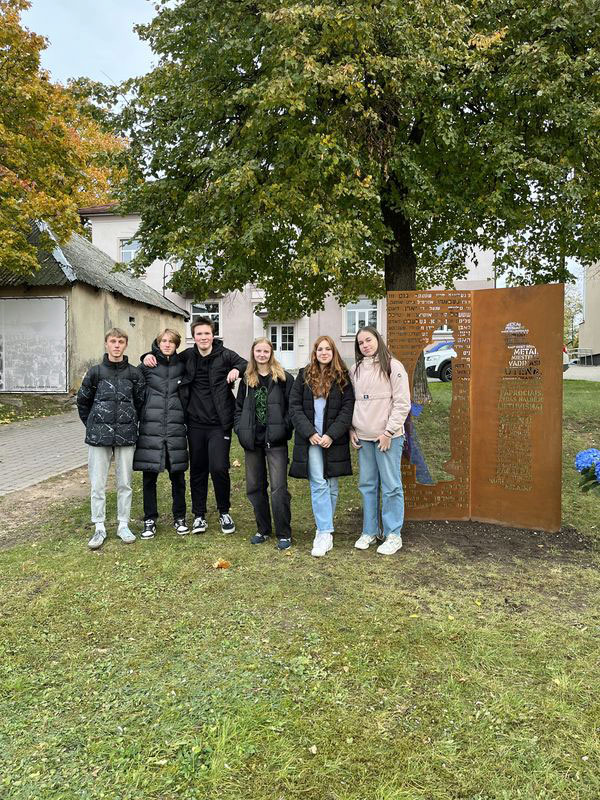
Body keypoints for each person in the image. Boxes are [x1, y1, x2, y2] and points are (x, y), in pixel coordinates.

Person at [142, 317, 247, 535]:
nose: (203, 338)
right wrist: (148, 355)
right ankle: (199, 515)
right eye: (199, 334)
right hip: (195, 424)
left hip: (219, 424)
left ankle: (224, 512)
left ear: (213, 335)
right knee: (198, 469)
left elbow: (246, 364)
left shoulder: (225, 354)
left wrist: (237, 369)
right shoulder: (188, 356)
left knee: (219, 467)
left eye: (207, 333)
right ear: (194, 337)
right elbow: (165, 356)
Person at [77, 327, 145, 550]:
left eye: (121, 342)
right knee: (98, 484)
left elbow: (141, 403)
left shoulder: (134, 374)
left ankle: (123, 525)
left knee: (125, 483)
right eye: (113, 341)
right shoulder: (95, 372)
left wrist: (132, 425)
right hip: (98, 438)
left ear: (126, 345)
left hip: (126, 436)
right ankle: (99, 527)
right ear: (106, 344)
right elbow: (83, 401)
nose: (117, 345)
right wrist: (94, 425)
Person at [289, 336, 354, 557]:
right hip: (312, 439)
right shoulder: (304, 374)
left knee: (332, 485)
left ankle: (326, 530)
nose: (324, 352)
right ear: (314, 352)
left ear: (333, 352)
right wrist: (310, 433)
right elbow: (294, 407)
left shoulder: (342, 377)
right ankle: (324, 532)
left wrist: (331, 435)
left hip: (333, 439)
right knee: (318, 483)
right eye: (319, 349)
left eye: (327, 349)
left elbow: (347, 409)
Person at [349, 326, 411, 555]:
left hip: (387, 438)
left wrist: (388, 432)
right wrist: (351, 429)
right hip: (363, 438)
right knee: (367, 485)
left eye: (369, 340)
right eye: (361, 343)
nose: (365, 345)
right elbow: (351, 403)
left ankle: (393, 534)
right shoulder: (354, 369)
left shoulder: (393, 366)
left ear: (378, 339)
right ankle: (370, 530)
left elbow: (403, 403)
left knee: (391, 486)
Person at [234, 338, 295, 549]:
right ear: (253, 353)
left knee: (278, 488)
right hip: (253, 442)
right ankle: (263, 529)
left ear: (271, 353)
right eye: (258, 351)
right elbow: (239, 407)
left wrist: (284, 428)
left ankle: (284, 533)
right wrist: (240, 429)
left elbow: (292, 408)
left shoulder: (284, 378)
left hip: (276, 442)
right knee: (254, 487)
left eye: (265, 351)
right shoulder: (247, 379)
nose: (262, 354)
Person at [134, 328, 189, 539]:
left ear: (176, 345)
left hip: (175, 427)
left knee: (178, 476)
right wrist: (145, 356)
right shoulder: (148, 366)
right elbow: (136, 389)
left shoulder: (182, 366)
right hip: (151, 428)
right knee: (149, 477)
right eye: (163, 341)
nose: (167, 344)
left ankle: (180, 517)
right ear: (158, 343)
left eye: (171, 341)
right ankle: (149, 519)